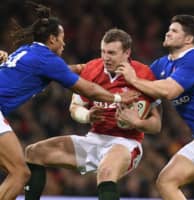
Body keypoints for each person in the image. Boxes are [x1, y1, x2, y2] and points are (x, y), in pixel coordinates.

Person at [0, 3, 136, 200]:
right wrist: (117, 97)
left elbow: (55, 71)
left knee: (14, 167)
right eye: (62, 40)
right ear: (53, 39)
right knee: (20, 173)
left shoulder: (27, 51)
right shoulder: (46, 58)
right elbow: (87, 88)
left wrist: (79, 68)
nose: (64, 44)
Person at [24, 28, 161, 200]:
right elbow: (74, 108)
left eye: (111, 52)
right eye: (103, 51)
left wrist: (137, 123)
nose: (105, 57)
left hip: (126, 143)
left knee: (106, 171)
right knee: (34, 152)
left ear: (127, 53)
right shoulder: (92, 69)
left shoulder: (144, 74)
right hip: (94, 138)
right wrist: (87, 116)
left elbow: (156, 125)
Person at [115, 14, 194, 200]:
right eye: (169, 29)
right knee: (166, 181)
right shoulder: (162, 64)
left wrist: (134, 79)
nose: (168, 33)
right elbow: (139, 89)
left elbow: (170, 91)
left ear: (189, 39)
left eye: (174, 31)